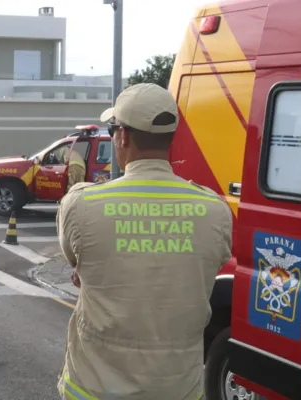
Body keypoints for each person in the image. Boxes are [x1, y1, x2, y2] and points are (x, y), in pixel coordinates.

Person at [55, 83, 233, 400]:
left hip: (95, 388)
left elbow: (76, 263)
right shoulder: (214, 211)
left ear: (123, 136)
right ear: (170, 137)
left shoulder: (81, 205)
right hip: (178, 389)